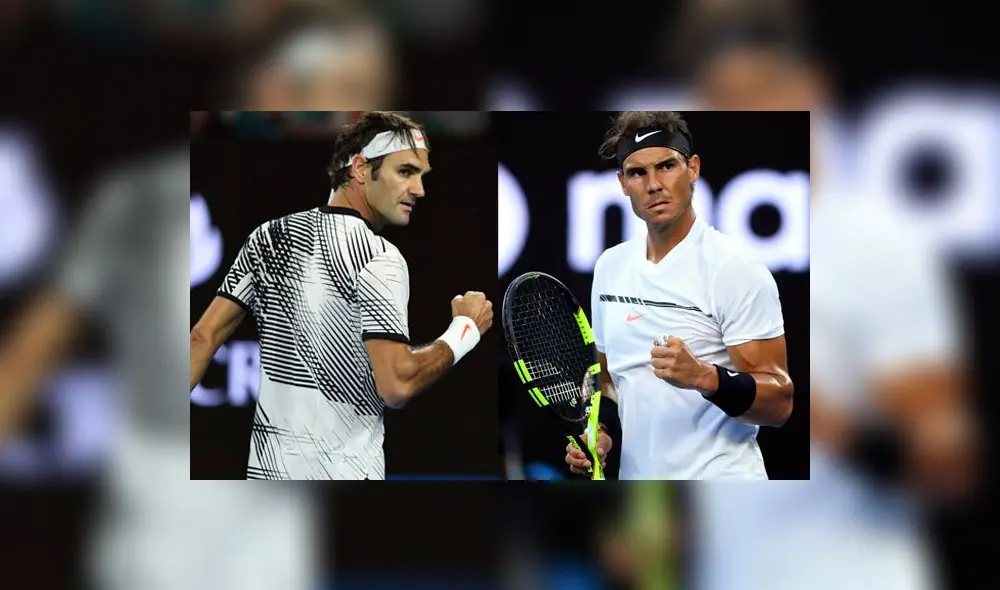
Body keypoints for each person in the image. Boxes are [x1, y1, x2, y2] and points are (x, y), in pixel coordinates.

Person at [189, 111, 493, 480]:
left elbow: (202, 338)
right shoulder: (378, 256)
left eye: (421, 175)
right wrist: (464, 331)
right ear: (361, 168)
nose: (419, 189)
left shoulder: (267, 236)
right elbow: (397, 384)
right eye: (405, 172)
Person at [564, 110, 793, 480]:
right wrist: (600, 434)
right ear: (623, 183)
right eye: (638, 173)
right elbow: (609, 383)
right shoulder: (609, 267)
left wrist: (705, 377)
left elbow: (780, 403)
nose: (654, 184)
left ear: (693, 169)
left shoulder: (734, 268)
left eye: (667, 166)